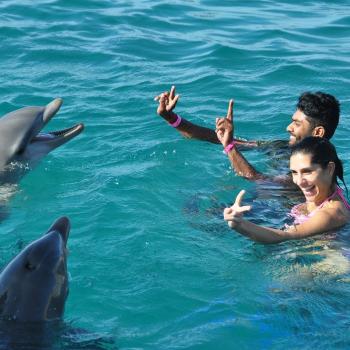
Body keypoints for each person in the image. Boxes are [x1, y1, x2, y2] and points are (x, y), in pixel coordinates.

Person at [155, 86, 340, 181]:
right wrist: (172, 119)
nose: (288, 127)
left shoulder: (315, 170)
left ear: (318, 132)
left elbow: (259, 180)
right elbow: (221, 139)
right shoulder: (281, 147)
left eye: (297, 123)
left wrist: (229, 148)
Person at [223, 137, 350, 243]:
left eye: (307, 172)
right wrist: (229, 145)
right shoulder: (326, 191)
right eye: (294, 172)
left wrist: (240, 225)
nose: (299, 181)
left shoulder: (330, 214)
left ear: (329, 169)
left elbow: (285, 236)